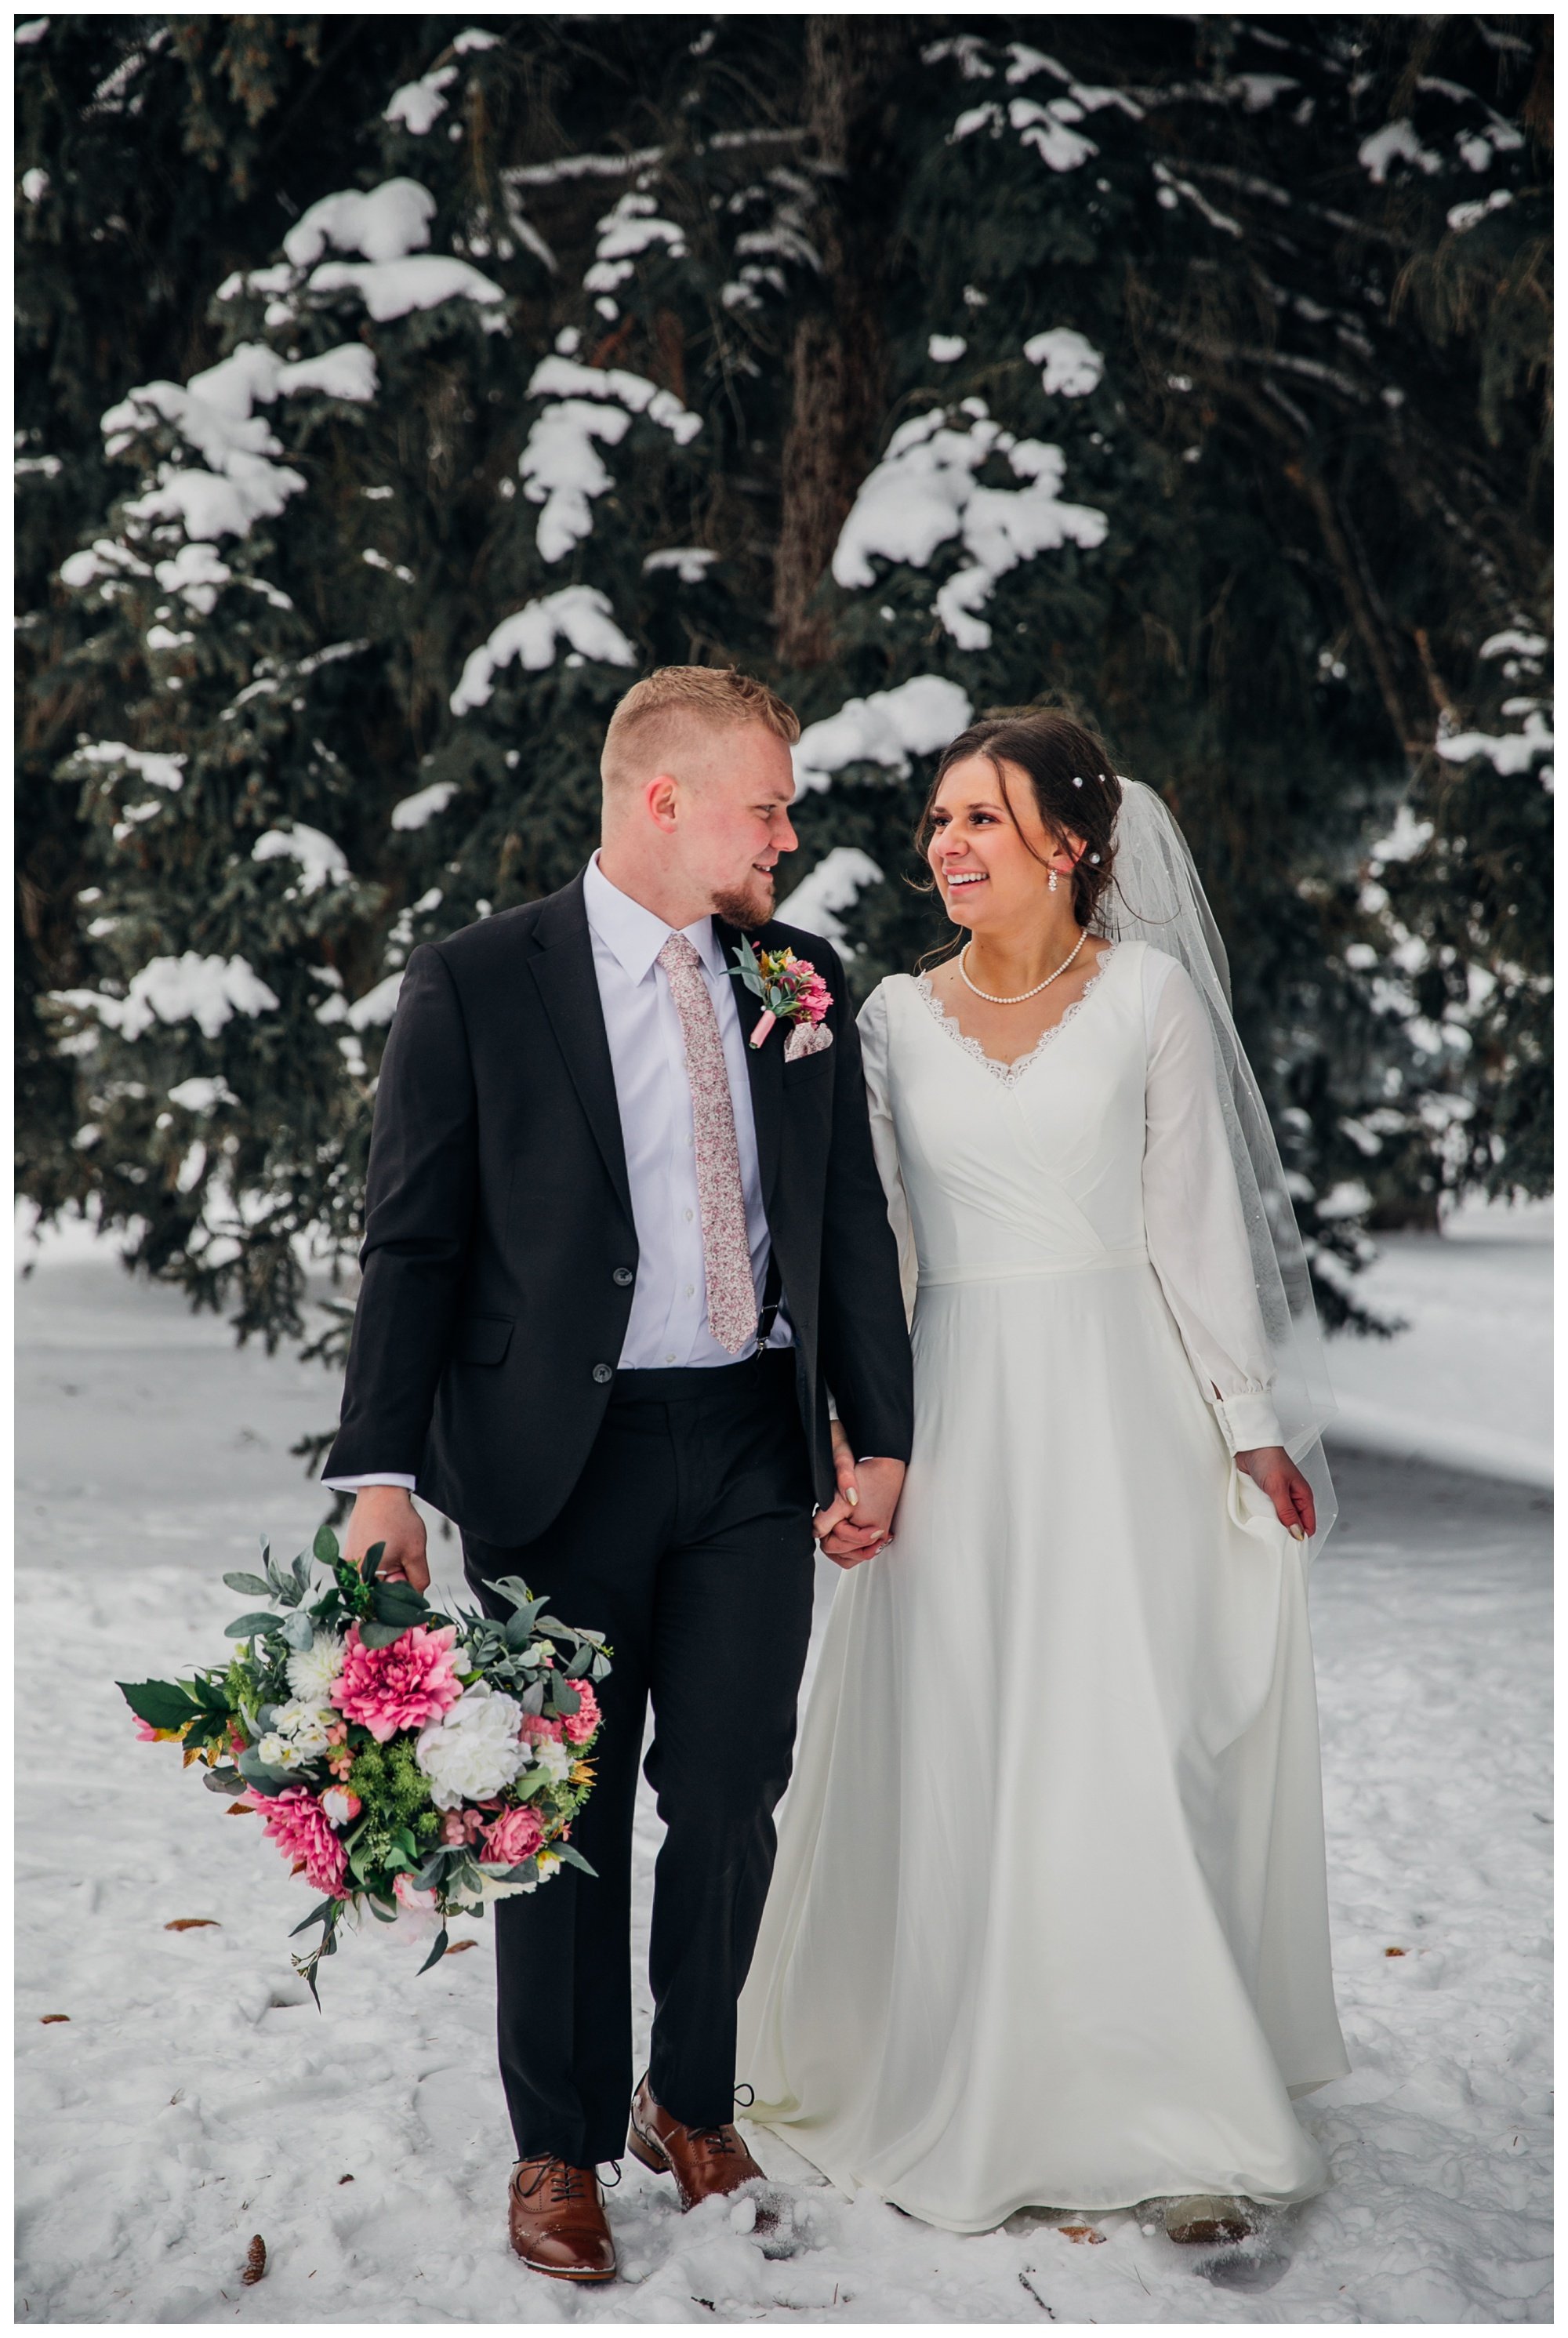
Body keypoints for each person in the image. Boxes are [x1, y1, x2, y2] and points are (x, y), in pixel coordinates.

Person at [321, 665, 913, 2282]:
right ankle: (558, 2148)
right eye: (766, 807)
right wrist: (377, 1476)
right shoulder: (475, 982)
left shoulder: (800, 980)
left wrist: (883, 1435)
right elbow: (414, 1242)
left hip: (743, 1444)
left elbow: (843, 1226)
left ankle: (691, 2097)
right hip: (550, 1463)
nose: (787, 835)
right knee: (556, 1811)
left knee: (728, 1797)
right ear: (666, 803)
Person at [738, 709, 1349, 2238]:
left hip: (1121, 1407)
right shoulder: (880, 1017)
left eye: (983, 821)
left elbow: (1195, 1225)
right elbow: (862, 1250)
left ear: (1070, 848)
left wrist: (1247, 1420)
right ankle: (949, 2060)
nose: (945, 845)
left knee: (1121, 1741)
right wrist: (853, 1435)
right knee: (959, 1735)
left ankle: (1175, 2107)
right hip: (948, 1418)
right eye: (938, 820)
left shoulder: (1148, 1001)